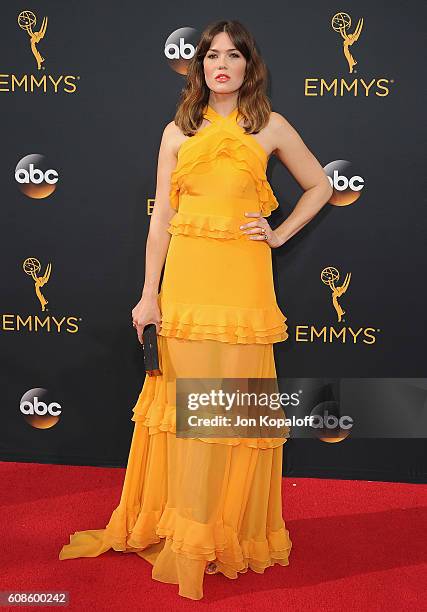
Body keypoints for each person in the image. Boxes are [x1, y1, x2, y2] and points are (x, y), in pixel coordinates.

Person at [59, 19, 333, 600]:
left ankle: (224, 533)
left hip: (243, 287)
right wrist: (148, 292)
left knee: (231, 412)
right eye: (212, 56)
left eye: (233, 56)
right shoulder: (177, 133)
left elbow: (320, 185)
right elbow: (160, 218)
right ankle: (186, 532)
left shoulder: (271, 127)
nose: (222, 65)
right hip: (186, 285)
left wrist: (279, 234)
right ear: (199, 67)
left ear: (248, 66)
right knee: (188, 413)